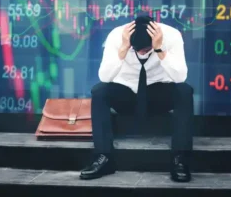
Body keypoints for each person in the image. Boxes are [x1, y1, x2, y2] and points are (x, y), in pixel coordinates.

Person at [80, 15, 194, 182]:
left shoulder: (172, 36)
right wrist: (124, 49)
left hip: (158, 93)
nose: (141, 53)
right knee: (99, 91)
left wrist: (159, 50)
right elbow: (104, 76)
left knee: (184, 91)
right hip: (126, 93)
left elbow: (180, 77)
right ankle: (104, 157)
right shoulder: (117, 36)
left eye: (146, 50)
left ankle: (180, 159)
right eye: (137, 50)